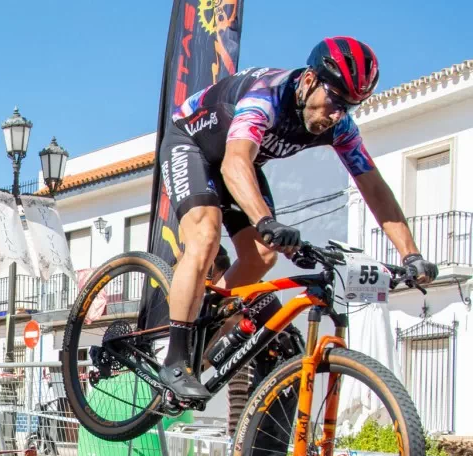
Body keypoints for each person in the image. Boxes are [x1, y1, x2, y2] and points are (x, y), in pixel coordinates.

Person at [157, 37, 439, 402]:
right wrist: (266, 221)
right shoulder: (266, 97)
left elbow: (374, 187)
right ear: (309, 81)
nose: (337, 114)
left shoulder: (340, 127)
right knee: (206, 237)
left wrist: (410, 254)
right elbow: (234, 162)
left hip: (238, 162)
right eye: (335, 100)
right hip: (192, 145)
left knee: (262, 256)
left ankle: (205, 318)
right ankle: (174, 359)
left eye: (349, 106)